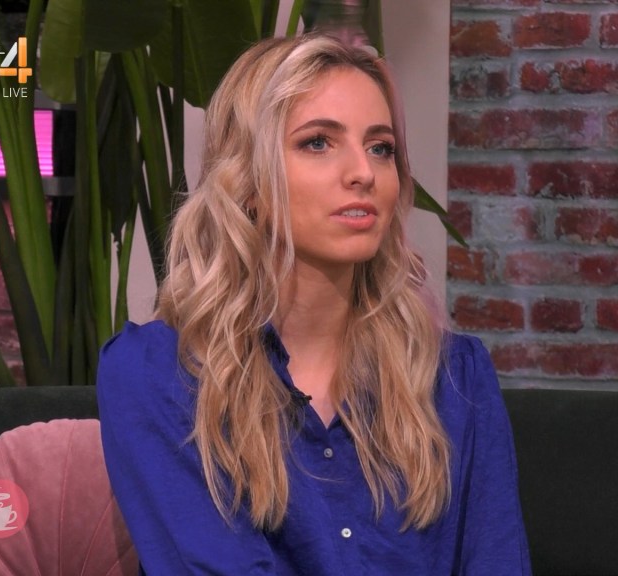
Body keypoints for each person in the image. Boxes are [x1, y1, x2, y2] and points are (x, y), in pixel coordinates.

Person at [97, 33, 531, 575]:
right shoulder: (157, 373)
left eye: (381, 148)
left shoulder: (457, 378)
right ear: (247, 182)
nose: (363, 173)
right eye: (318, 143)